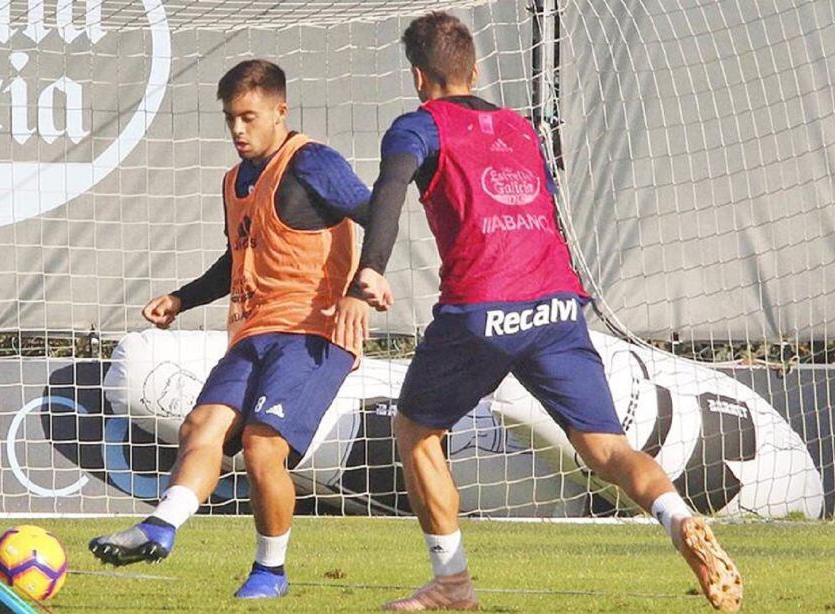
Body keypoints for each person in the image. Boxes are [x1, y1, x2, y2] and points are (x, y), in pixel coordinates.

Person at [335, 11, 743, 612]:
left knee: (416, 429)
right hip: (556, 304)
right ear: (474, 70)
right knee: (607, 449)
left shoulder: (418, 127)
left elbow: (390, 194)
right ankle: (679, 518)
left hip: (482, 308)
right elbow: (544, 213)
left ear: (420, 79)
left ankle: (451, 583)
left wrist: (366, 270)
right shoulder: (520, 130)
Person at [90, 59, 373, 600]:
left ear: (279, 111)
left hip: (313, 334)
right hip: (252, 333)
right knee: (201, 426)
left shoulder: (312, 161)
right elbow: (235, 258)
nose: (238, 131)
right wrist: (181, 298)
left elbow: (380, 211)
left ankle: (271, 572)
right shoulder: (234, 181)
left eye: (248, 117)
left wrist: (361, 289)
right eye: (230, 120)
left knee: (264, 448)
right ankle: (160, 527)